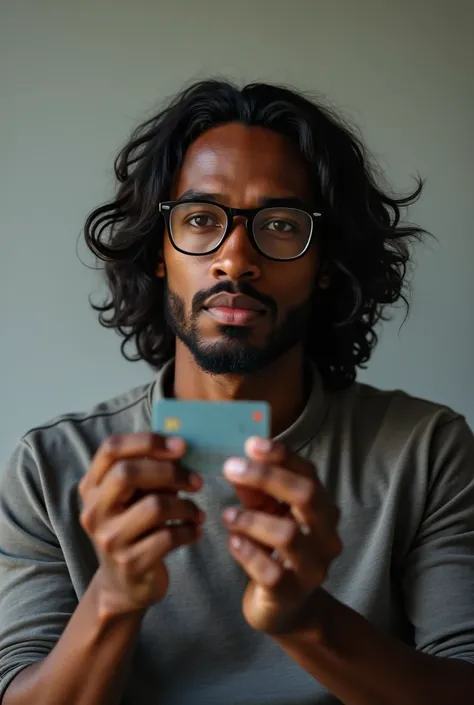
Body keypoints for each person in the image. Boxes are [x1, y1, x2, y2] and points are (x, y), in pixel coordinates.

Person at [1, 79, 473, 705]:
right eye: (200, 219)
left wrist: (304, 619)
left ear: (325, 262)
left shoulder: (426, 451)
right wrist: (113, 596)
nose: (235, 258)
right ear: (159, 254)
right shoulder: (50, 468)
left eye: (281, 224)